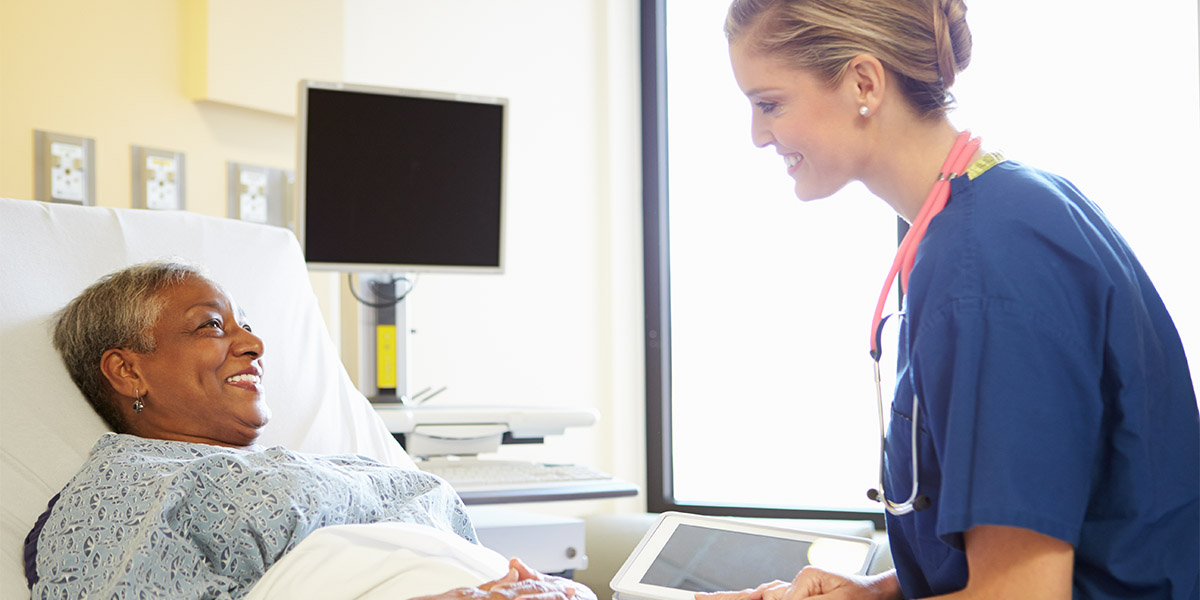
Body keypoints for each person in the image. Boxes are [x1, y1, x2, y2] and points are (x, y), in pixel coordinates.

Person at [707, 0, 1200, 598]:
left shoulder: (986, 262)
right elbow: (1045, 534)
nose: (758, 136)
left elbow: (1023, 594)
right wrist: (876, 592)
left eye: (769, 104)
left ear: (864, 82)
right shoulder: (1005, 209)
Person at [27, 261, 595, 600]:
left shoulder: (337, 464)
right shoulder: (122, 488)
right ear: (128, 371)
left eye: (246, 325)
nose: (252, 343)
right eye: (211, 326)